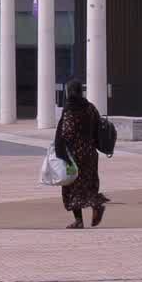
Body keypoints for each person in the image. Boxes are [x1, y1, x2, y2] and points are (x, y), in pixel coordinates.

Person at [54, 80, 109, 228]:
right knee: (89, 183)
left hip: (74, 155)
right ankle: (96, 204)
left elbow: (67, 132)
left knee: (71, 186)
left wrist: (61, 148)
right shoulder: (90, 107)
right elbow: (99, 126)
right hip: (90, 153)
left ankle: (79, 220)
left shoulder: (70, 109)